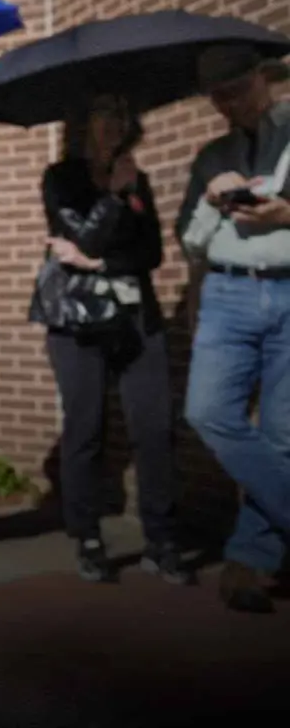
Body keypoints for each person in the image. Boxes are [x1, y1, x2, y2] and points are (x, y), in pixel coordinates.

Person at [34, 94, 184, 584]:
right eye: (104, 115)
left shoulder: (134, 176)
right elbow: (82, 239)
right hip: (77, 319)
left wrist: (101, 263)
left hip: (135, 314)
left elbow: (153, 253)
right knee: (87, 427)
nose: (115, 126)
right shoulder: (61, 179)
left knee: (154, 428)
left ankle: (162, 540)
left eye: (122, 116)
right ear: (84, 123)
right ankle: (89, 537)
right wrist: (116, 198)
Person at [176, 44, 290, 614]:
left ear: (263, 78)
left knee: (282, 436)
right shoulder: (210, 154)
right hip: (228, 291)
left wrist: (286, 214)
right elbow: (189, 243)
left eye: (238, 89)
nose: (229, 104)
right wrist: (213, 198)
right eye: (218, 95)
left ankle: (249, 562)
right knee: (208, 411)